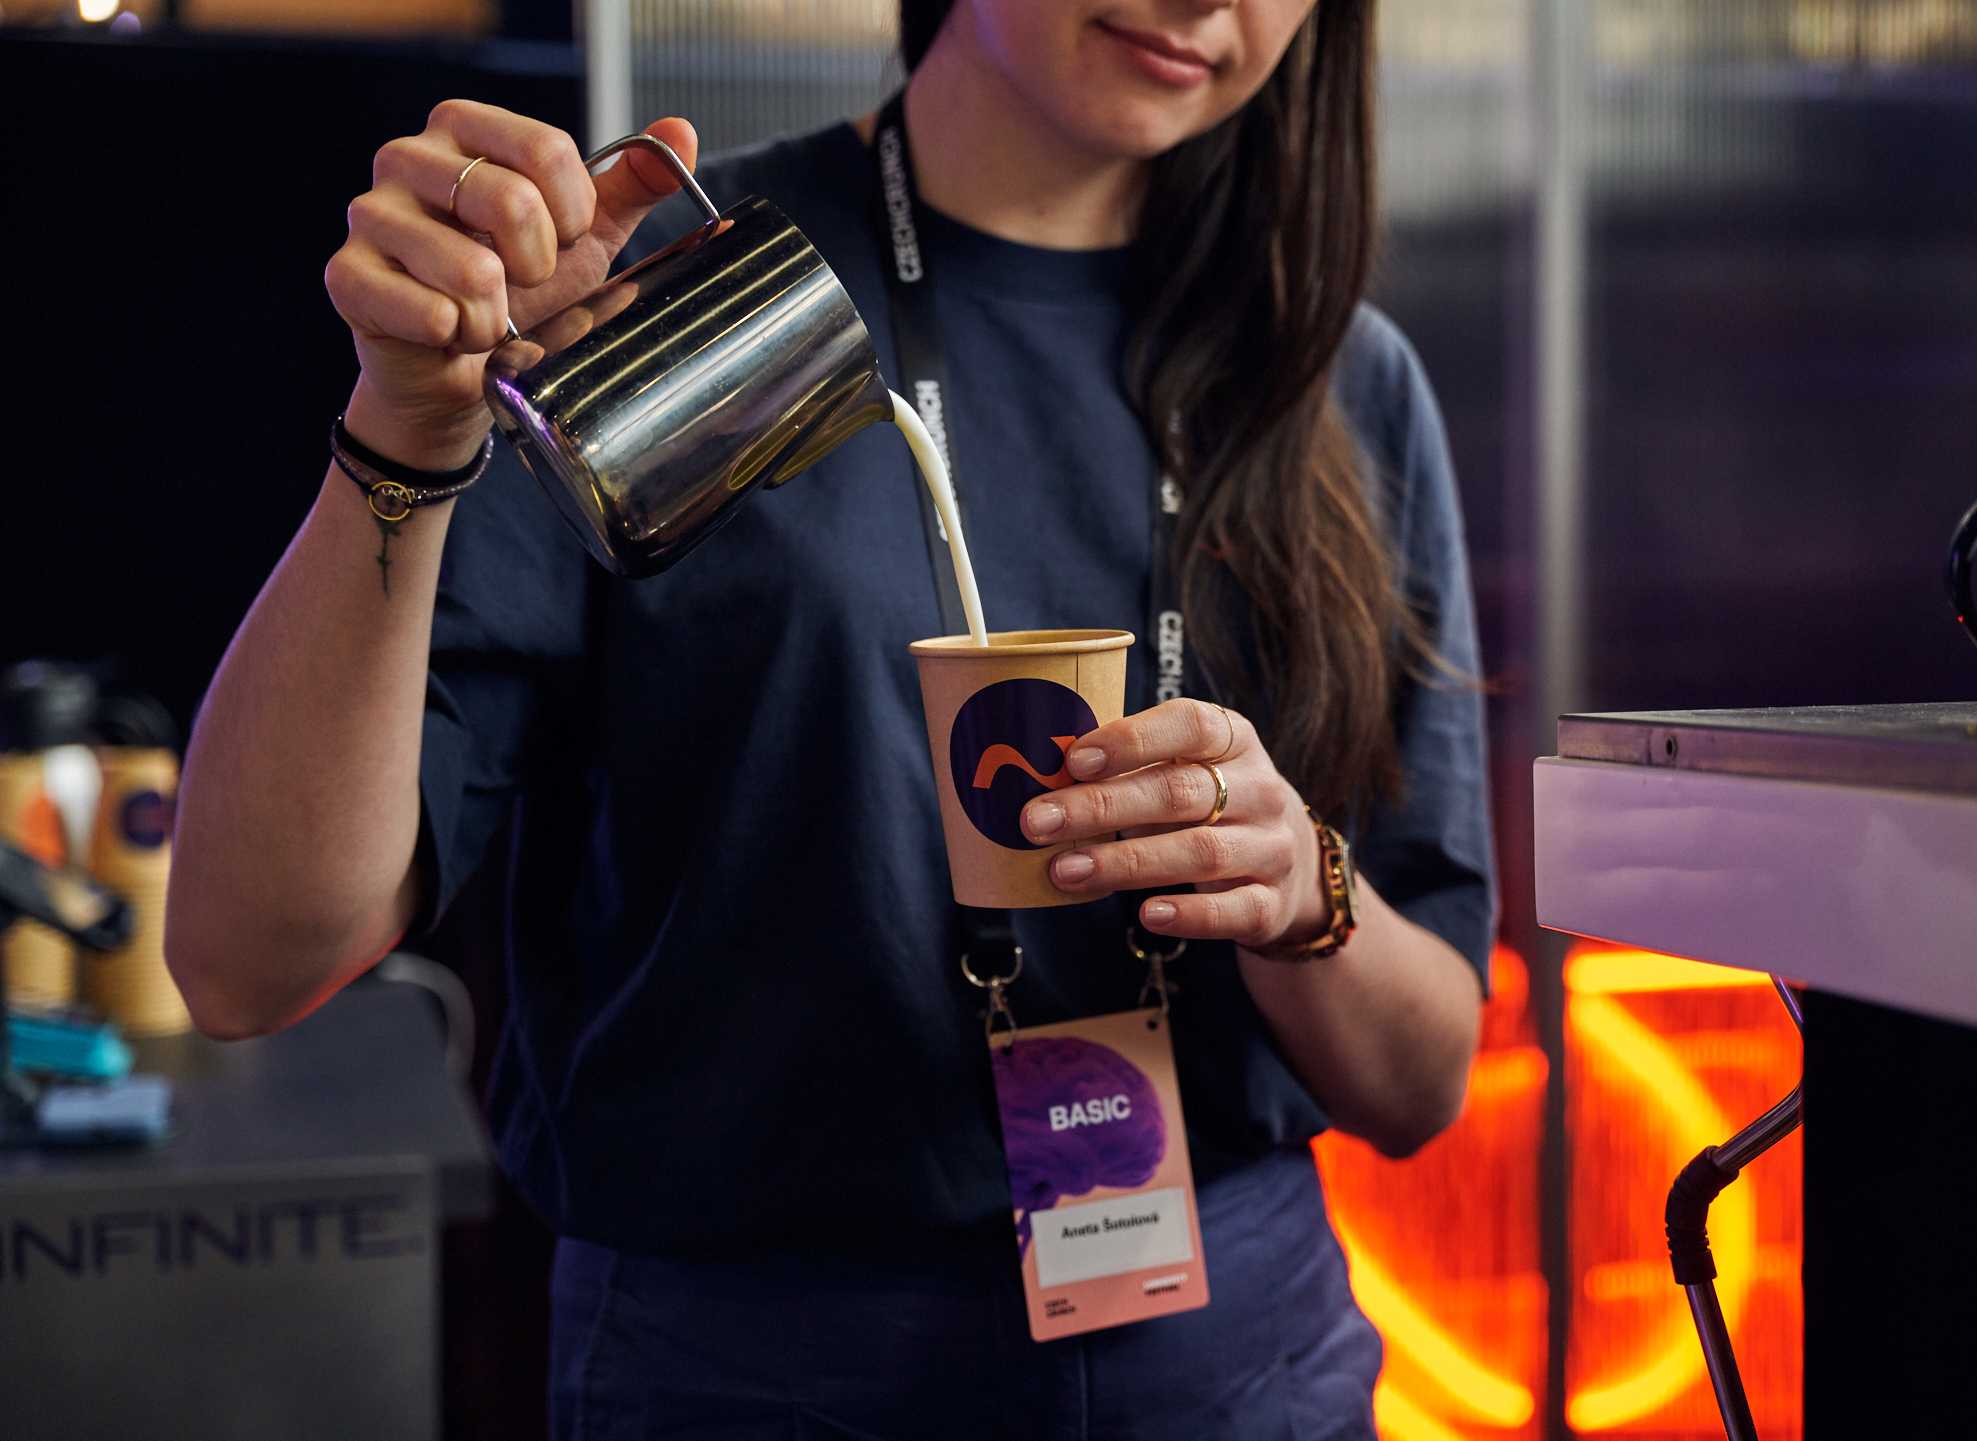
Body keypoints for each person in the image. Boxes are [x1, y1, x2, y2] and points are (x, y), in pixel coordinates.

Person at [167, 0, 1493, 1434]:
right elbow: (247, 959)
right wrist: (404, 432)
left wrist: (1302, 889)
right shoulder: (659, 298)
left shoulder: (1332, 369)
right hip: (751, 1360)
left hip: (1232, 1350)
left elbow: (1422, 1085)